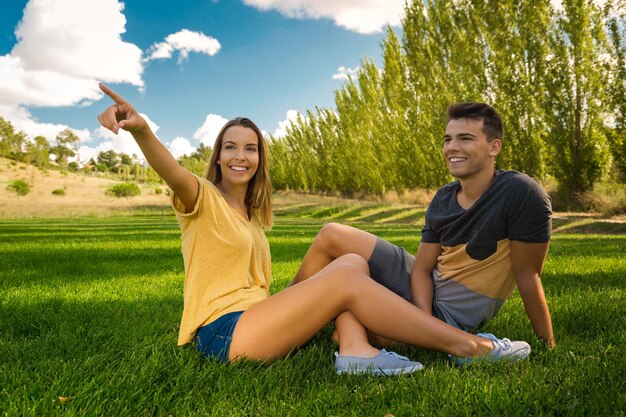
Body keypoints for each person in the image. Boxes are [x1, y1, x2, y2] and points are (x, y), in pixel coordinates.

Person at [97, 86, 531, 375]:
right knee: (344, 276)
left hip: (257, 318)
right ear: (218, 156)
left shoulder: (250, 215)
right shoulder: (201, 198)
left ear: (259, 159)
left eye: (250, 148)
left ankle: (356, 350)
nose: (240, 156)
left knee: (348, 259)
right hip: (223, 333)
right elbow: (172, 171)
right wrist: (142, 130)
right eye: (230, 147)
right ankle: (468, 347)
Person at [290, 102, 556, 360]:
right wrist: (422, 319)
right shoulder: (443, 198)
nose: (452, 147)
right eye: (447, 139)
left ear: (493, 147)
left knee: (351, 323)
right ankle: (278, 310)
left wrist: (549, 345)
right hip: (421, 291)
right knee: (332, 234)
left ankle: (335, 331)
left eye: (465, 138)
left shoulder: (521, 193)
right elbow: (421, 269)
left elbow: (527, 275)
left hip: (449, 314)